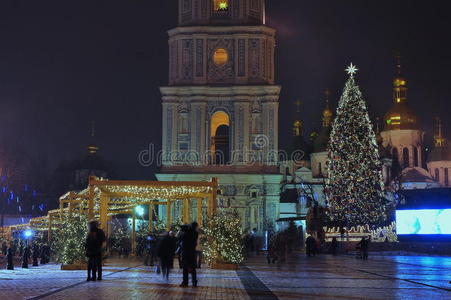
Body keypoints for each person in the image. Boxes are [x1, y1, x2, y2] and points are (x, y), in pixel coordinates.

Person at [180, 222, 199, 287]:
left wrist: (184, 230)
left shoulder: (186, 233)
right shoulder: (195, 233)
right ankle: (194, 282)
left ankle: (185, 282)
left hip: (185, 252)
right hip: (192, 252)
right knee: (193, 268)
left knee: (185, 268)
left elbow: (179, 237)